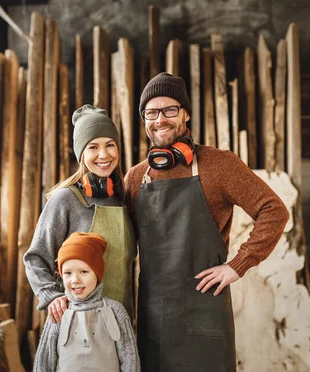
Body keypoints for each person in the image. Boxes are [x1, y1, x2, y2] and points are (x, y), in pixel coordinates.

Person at [124, 72, 290, 371]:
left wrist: (237, 265)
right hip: (155, 316)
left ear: (185, 114)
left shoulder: (219, 164)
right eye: (151, 112)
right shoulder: (136, 177)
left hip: (206, 313)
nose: (160, 119)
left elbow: (274, 211)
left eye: (170, 110)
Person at [24, 104, 137, 324]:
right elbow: (35, 257)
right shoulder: (65, 199)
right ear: (81, 154)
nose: (103, 154)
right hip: (76, 322)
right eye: (93, 147)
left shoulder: (122, 201)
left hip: (118, 319)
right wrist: (51, 296)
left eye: (110, 145)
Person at [33, 232, 140, 371]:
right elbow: (44, 362)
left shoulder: (115, 311)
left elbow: (130, 359)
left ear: (97, 273)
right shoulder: (59, 312)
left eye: (84, 271)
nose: (75, 280)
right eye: (68, 273)